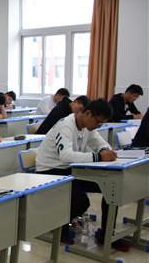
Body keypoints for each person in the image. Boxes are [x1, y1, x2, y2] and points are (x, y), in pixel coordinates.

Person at [35, 99, 130, 251]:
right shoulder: (66, 125)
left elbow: (102, 144)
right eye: (98, 122)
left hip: (70, 170)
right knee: (81, 202)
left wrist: (104, 151)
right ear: (88, 113)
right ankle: (59, 225)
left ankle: (106, 233)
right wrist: (99, 157)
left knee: (111, 187)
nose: (98, 126)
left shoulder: (87, 127)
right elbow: (66, 156)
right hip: (50, 171)